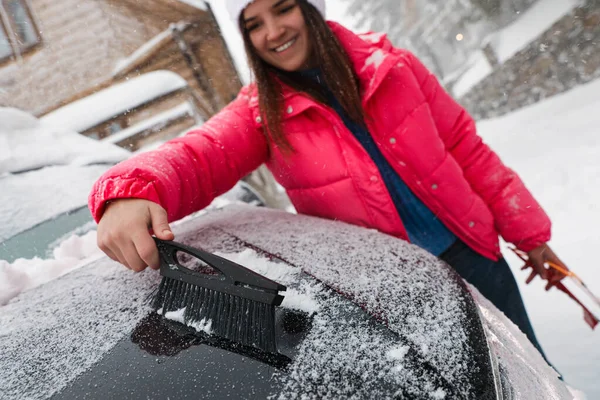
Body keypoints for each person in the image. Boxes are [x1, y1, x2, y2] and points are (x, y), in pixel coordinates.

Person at [89, 0, 568, 365]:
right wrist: (131, 189)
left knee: (529, 369)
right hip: (399, 294)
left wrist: (530, 235)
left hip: (477, 258)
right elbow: (199, 153)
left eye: (283, 8)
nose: (273, 31)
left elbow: (467, 150)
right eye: (253, 23)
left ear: (310, 9)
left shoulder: (393, 67)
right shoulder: (261, 116)